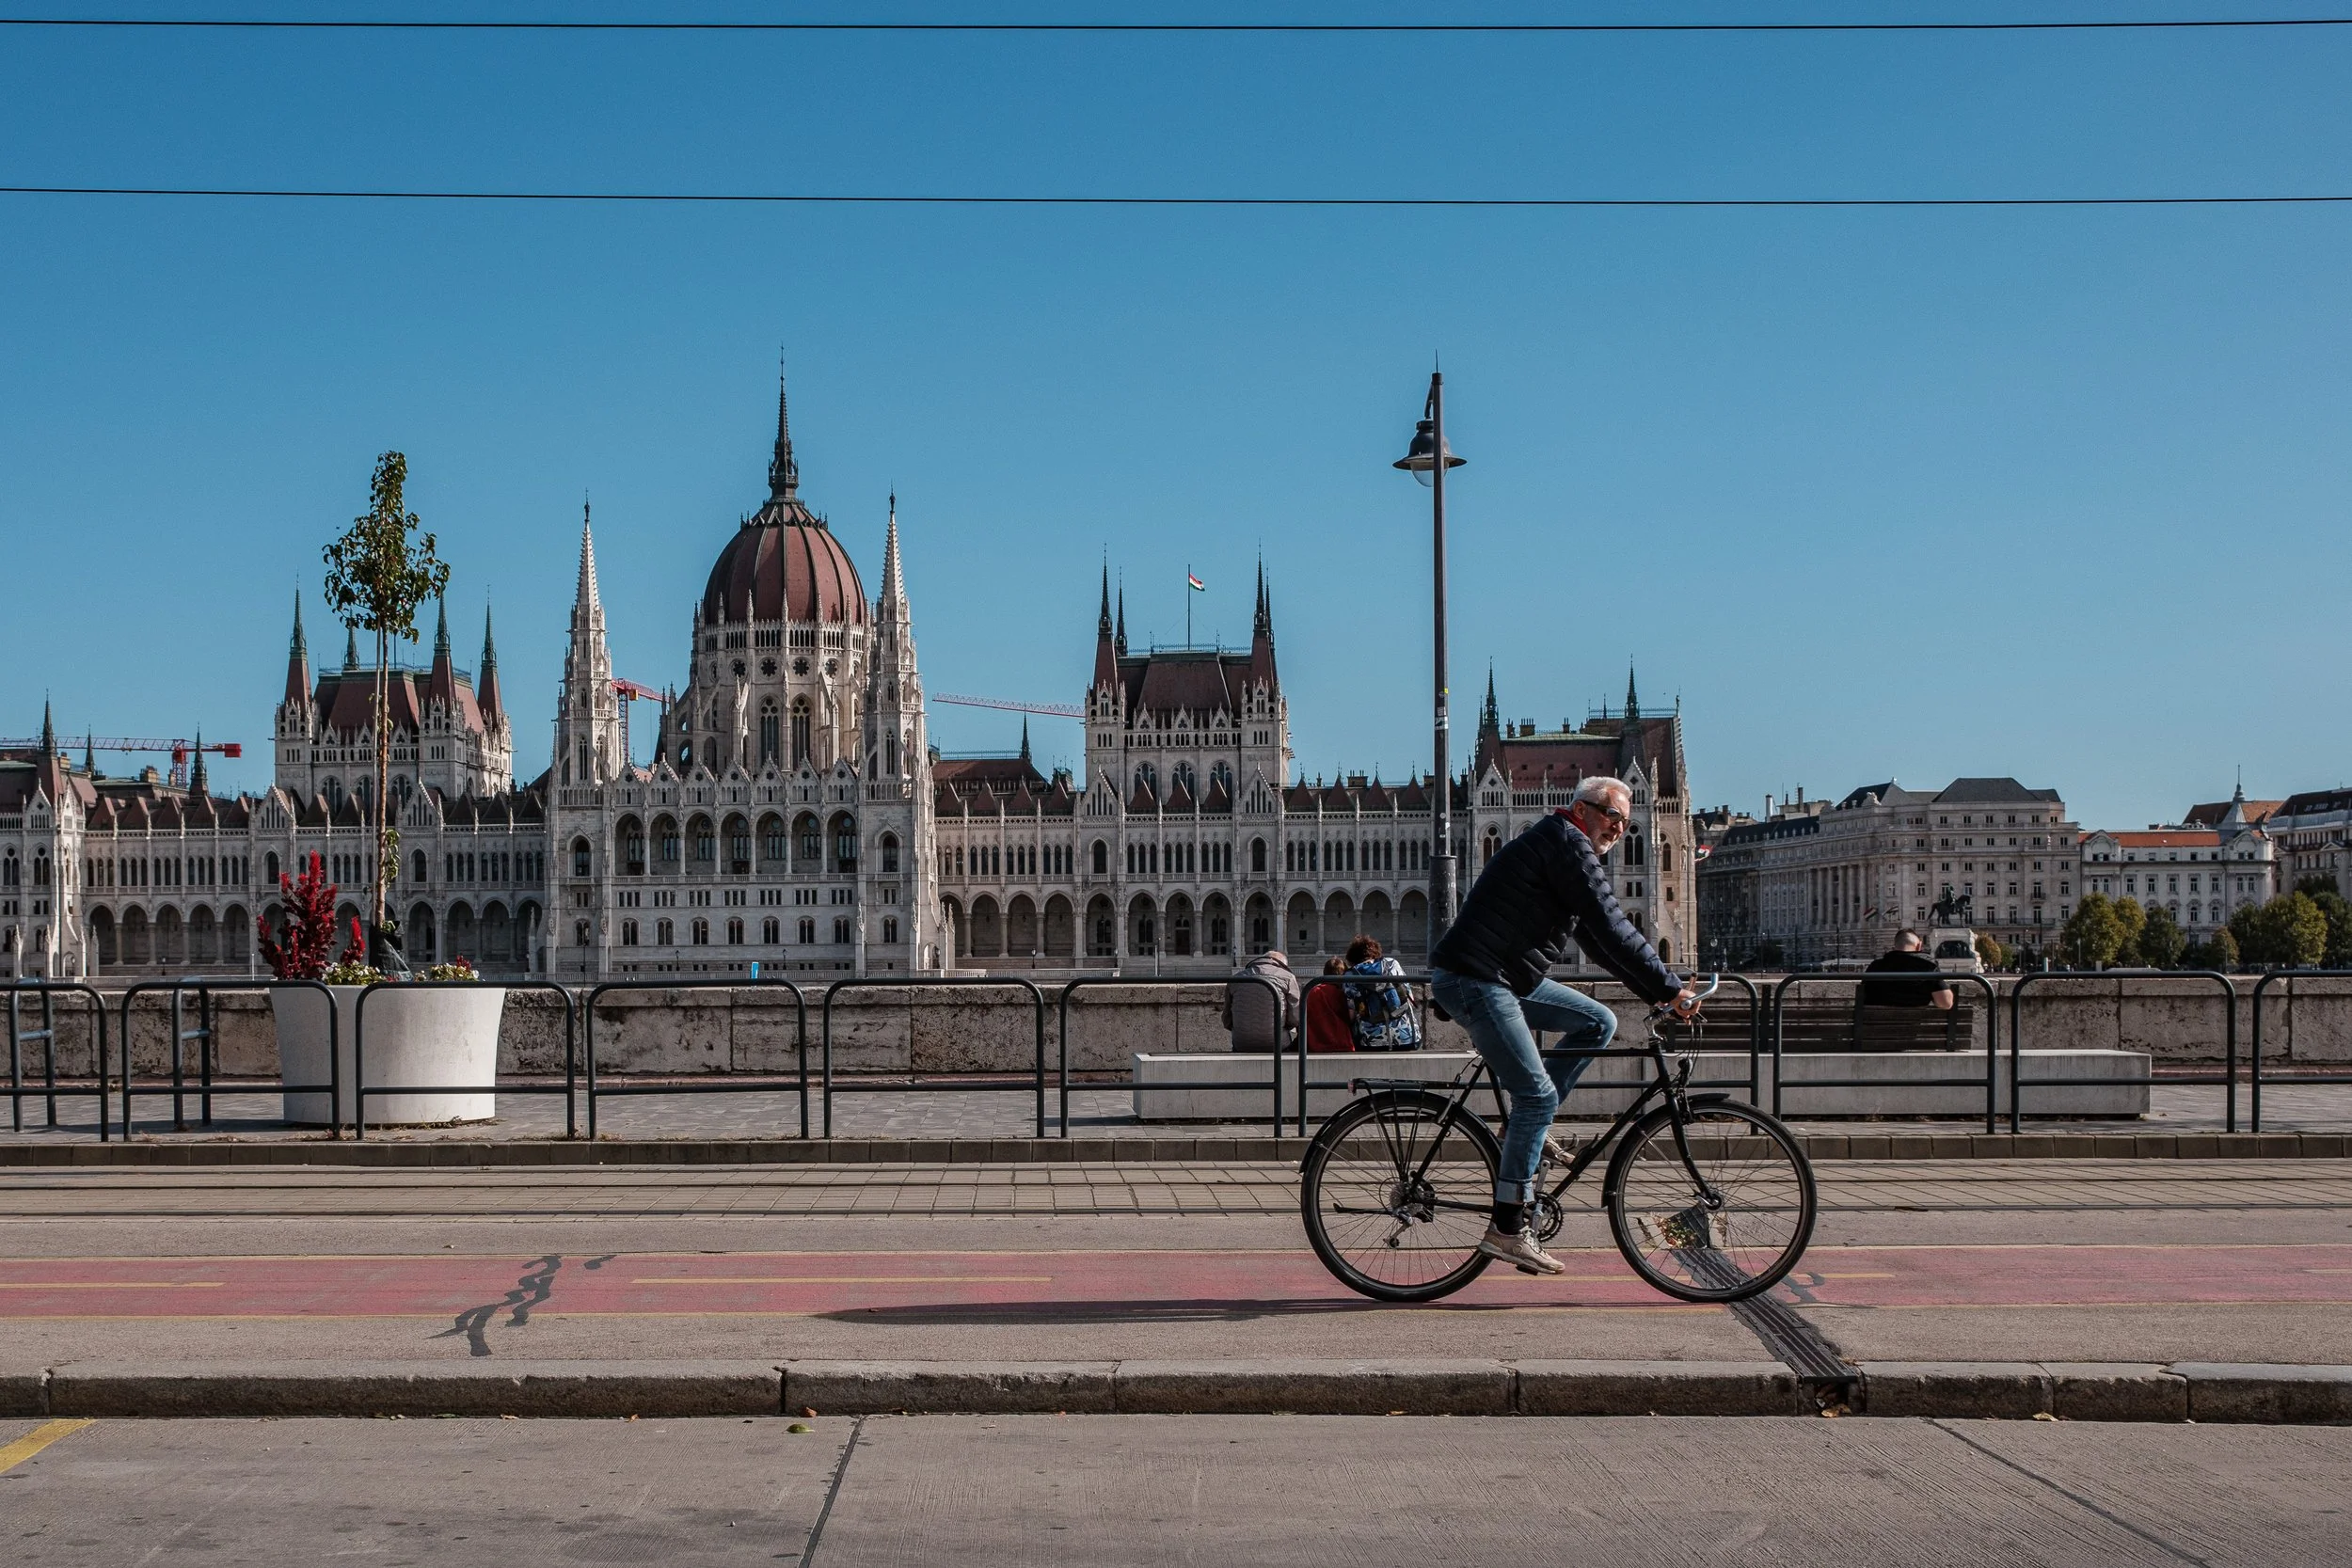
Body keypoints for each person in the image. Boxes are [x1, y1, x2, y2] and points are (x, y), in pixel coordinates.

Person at [1429, 774, 1701, 1275]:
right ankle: (1507, 1227)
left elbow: (1599, 941)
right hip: (1478, 977)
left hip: (1505, 975)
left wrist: (1656, 990)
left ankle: (1525, 1129)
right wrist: (1669, 989)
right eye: (1612, 816)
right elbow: (1613, 924)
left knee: (1598, 1020)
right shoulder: (1566, 843)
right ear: (1581, 809)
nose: (1619, 828)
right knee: (1536, 1095)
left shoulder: (1568, 846)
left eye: (1626, 821)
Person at [1343, 935, 1421, 1052]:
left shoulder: (1350, 976)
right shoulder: (1392, 963)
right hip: (1408, 1038)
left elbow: (1351, 1014)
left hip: (1370, 1042)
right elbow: (1409, 995)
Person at [1223, 948, 1302, 1052]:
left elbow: (1226, 1019)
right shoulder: (1288, 977)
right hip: (1277, 1043)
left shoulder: (1236, 978)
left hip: (1242, 1044)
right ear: (1283, 965)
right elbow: (1295, 1018)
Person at [1861, 928, 1955, 1010]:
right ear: (1919, 946)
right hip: (1915, 1028)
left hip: (1875, 1028)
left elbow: (1862, 997)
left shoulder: (1875, 966)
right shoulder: (1928, 966)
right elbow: (1946, 1003)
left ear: (1894, 947)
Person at [1304, 956, 1357, 1053]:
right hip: (1341, 1043)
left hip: (1314, 1043)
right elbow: (1350, 1017)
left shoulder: (1312, 991)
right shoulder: (1342, 993)